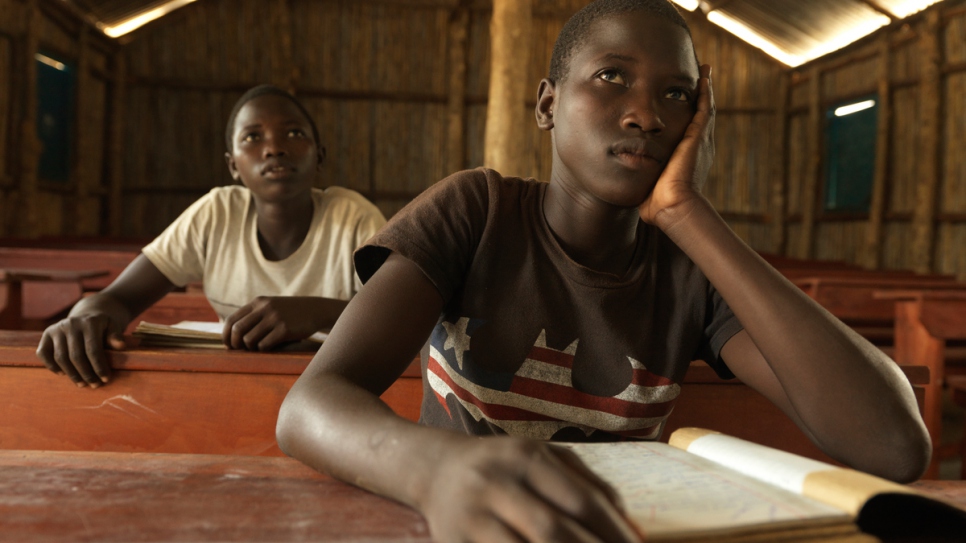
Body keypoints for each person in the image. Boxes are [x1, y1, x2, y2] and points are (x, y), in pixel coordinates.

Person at [275, 1, 931, 541]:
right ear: (547, 105)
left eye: (676, 94)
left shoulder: (689, 272)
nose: (645, 114)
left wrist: (686, 213)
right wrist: (439, 471)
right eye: (612, 76)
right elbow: (309, 407)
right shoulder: (476, 211)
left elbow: (893, 446)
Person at [37, 84, 386, 388]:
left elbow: (402, 322)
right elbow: (118, 299)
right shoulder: (217, 213)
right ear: (233, 164)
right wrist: (84, 317)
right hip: (232, 383)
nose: (274, 148)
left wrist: (321, 313)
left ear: (319, 155)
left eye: (294, 133)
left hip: (336, 388)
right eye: (253, 137)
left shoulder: (353, 218)